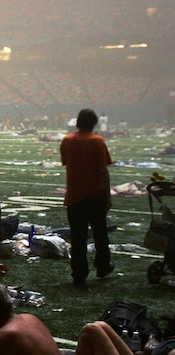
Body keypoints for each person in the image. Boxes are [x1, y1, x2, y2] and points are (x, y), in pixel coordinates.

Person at [60, 108, 113, 286]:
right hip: (95, 194)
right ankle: (103, 265)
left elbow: (66, 162)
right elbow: (103, 170)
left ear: (77, 123)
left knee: (78, 237)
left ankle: (79, 273)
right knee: (100, 234)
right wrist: (107, 194)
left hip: (75, 195)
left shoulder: (67, 141)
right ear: (94, 124)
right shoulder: (98, 141)